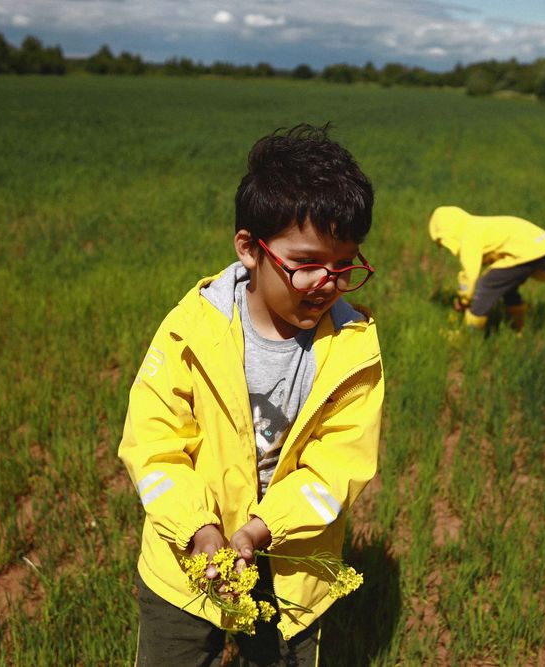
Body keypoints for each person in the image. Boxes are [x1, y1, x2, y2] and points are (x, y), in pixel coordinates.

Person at [119, 124, 384, 666]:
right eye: (307, 263)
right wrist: (199, 531)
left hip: (292, 570)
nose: (327, 282)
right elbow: (153, 446)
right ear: (249, 249)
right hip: (187, 562)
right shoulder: (190, 331)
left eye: (345, 265)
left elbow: (336, 468)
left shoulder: (353, 352)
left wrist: (262, 532)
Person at [428, 205, 545, 333]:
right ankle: (517, 330)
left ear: (447, 232)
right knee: (506, 287)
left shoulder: (468, 235)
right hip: (539, 246)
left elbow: (470, 274)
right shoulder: (475, 225)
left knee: (484, 287)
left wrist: (464, 299)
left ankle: (469, 337)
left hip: (526, 251)